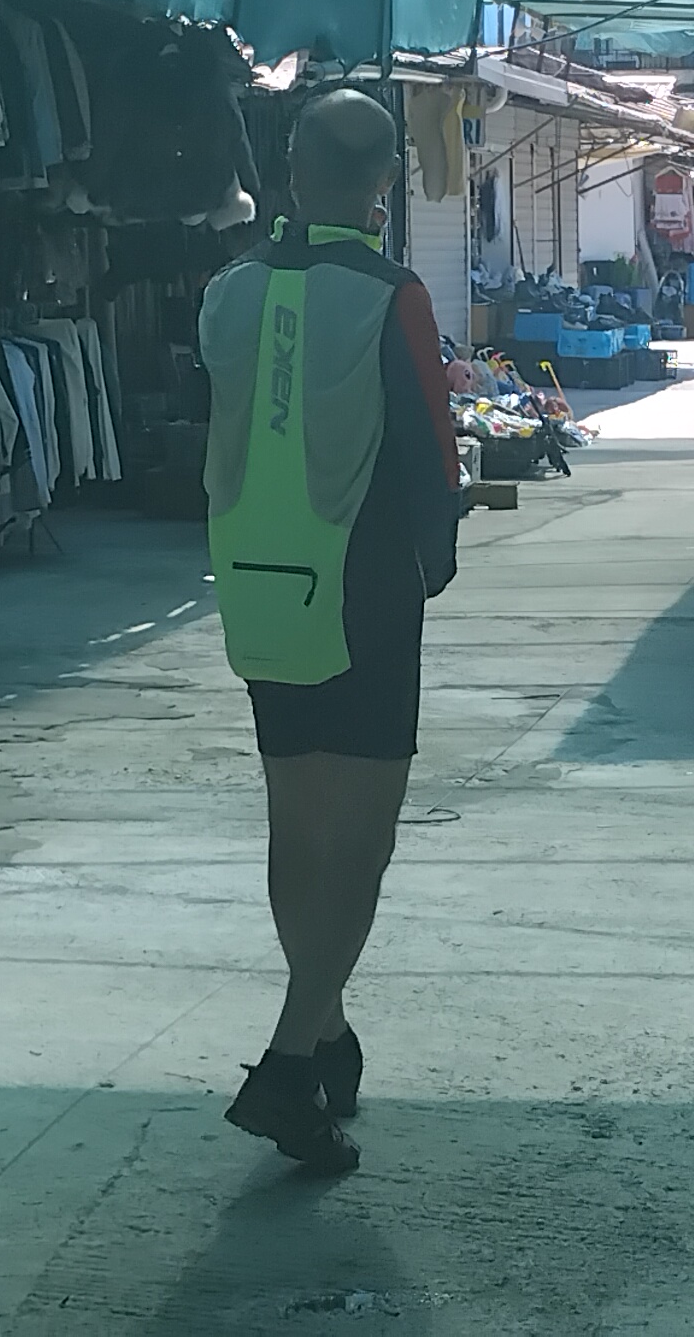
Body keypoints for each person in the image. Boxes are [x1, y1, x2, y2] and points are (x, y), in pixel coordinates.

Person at [198, 90, 461, 1175]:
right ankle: (287, 1061)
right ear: (386, 181)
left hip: (255, 578)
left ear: (293, 171)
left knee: (295, 821)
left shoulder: (227, 290)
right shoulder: (392, 295)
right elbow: (430, 447)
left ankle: (327, 1027)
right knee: (361, 835)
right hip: (362, 584)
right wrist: (433, 563)